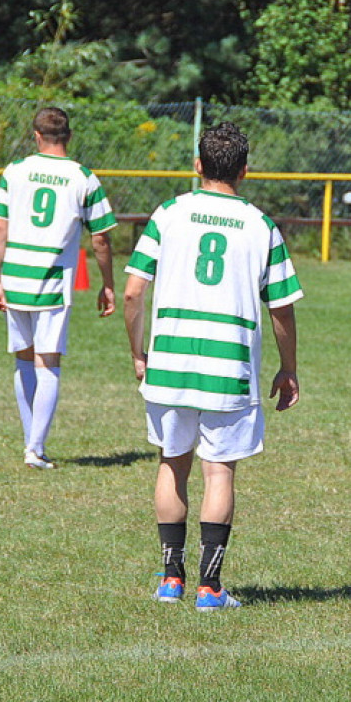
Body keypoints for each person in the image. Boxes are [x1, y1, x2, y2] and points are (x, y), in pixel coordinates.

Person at [123, 122, 302, 611]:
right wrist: (288, 368)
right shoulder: (261, 225)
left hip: (171, 362)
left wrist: (139, 353)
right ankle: (210, 587)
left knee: (171, 464)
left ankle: (170, 579)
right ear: (245, 170)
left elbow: (134, 291)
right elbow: (281, 308)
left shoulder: (168, 214)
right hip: (230, 365)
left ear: (198, 165)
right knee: (218, 472)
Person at [0, 107, 117, 469]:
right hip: (52, 281)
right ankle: (35, 449)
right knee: (48, 361)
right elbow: (101, 240)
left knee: (24, 358)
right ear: (69, 137)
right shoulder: (83, 177)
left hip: (14, 277)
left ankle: (33, 444)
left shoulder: (15, 171)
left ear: (36, 136)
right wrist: (107, 285)